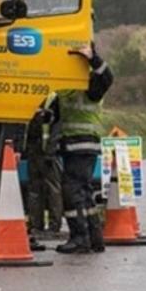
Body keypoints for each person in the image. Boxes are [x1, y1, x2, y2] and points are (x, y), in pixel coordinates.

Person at [47, 43, 114, 254]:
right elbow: (52, 114)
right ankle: (95, 238)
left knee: (72, 192)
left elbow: (107, 77)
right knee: (84, 193)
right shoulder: (66, 90)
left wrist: (93, 57)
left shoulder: (91, 85)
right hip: (76, 147)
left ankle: (79, 238)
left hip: (81, 145)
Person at [25, 98, 63, 237]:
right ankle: (36, 225)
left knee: (52, 188)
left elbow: (58, 126)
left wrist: (52, 149)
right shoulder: (32, 96)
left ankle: (53, 226)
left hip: (49, 151)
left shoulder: (53, 98)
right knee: (34, 188)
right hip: (34, 149)